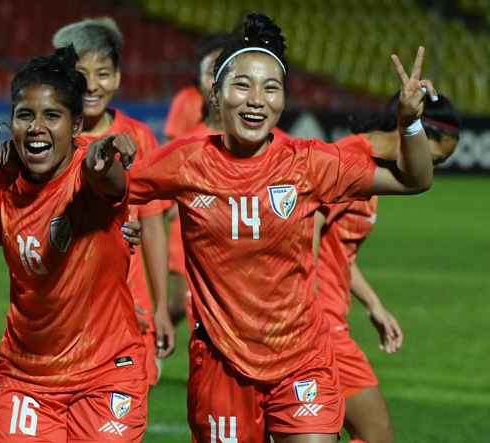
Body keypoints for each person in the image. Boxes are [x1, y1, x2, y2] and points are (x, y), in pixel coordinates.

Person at [127, 13, 437, 443]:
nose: (257, 100)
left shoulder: (308, 162)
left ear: (284, 99)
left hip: (302, 357)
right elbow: (108, 190)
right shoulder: (185, 161)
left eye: (271, 88)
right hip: (221, 363)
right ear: (215, 93)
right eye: (242, 85)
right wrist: (115, 217)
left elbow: (414, 179)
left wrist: (410, 122)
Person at [0, 46, 148, 442]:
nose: (36, 127)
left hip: (106, 371)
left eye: (52, 116)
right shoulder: (1, 182)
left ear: (76, 125)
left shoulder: (88, 175)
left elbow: (109, 179)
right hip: (26, 376)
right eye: (25, 115)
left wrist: (102, 158)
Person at [315, 93, 461, 443]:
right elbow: (307, 227)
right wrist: (307, 308)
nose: (430, 169)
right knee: (376, 434)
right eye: (434, 159)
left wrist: (373, 304)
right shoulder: (349, 159)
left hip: (326, 319)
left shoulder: (371, 166)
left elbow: (338, 251)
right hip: (319, 324)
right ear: (413, 132)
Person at [51, 17, 176, 383]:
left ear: (118, 77)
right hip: (67, 315)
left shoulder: (139, 136)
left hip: (133, 310)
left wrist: (161, 309)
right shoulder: (52, 139)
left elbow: (152, 226)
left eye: (103, 73)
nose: (92, 85)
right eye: (81, 74)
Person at [166, 31, 290, 330]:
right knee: (186, 307)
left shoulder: (281, 145)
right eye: (210, 72)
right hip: (192, 227)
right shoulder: (187, 140)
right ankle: (155, 337)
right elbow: (157, 176)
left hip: (246, 237)